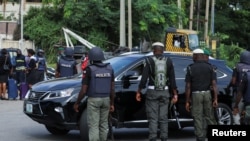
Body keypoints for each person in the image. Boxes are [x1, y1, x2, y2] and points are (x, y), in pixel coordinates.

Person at [135, 42, 178, 141]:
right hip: (165, 92)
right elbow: (172, 80)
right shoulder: (169, 61)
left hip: (152, 92)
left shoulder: (149, 61)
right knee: (163, 117)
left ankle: (153, 137)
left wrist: (139, 91)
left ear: (153, 51)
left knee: (153, 118)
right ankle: (164, 137)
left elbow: (144, 79)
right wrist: (175, 94)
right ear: (162, 51)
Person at [73, 47, 115, 141]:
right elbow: (112, 89)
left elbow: (84, 90)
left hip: (94, 100)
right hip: (106, 100)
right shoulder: (109, 68)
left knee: (93, 126)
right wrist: (112, 103)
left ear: (91, 58)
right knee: (104, 125)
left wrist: (77, 103)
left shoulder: (89, 70)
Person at [185, 49, 218, 141]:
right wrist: (215, 99)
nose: (192, 57)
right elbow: (214, 84)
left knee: (198, 116)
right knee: (209, 116)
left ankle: (200, 137)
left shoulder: (190, 68)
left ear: (196, 56)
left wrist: (187, 101)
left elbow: (188, 86)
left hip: (196, 95)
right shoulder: (210, 67)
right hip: (207, 94)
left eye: (193, 56)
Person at [228, 50, 250, 124]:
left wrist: (229, 86)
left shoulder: (237, 66)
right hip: (248, 93)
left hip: (239, 92)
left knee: (237, 111)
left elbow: (233, 81)